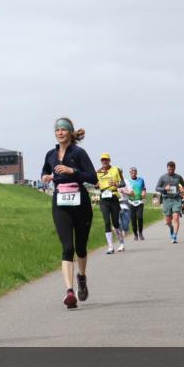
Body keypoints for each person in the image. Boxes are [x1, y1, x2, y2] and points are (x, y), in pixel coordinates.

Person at [41, 117, 97, 309]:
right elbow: (45, 173)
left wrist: (72, 171)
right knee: (67, 247)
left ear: (70, 132)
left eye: (63, 129)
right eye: (57, 130)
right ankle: (69, 292)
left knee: (81, 247)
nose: (60, 132)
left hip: (80, 203)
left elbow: (92, 177)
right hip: (60, 204)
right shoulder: (50, 154)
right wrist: (46, 177)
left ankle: (81, 277)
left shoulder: (79, 153)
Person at [95, 153, 127, 254]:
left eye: (106, 160)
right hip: (103, 199)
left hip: (113, 197)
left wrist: (116, 184)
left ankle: (121, 243)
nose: (104, 161)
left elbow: (123, 183)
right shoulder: (98, 172)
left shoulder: (116, 170)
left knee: (115, 223)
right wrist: (96, 186)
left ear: (109, 160)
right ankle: (110, 247)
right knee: (106, 222)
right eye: (102, 160)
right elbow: (95, 185)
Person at [156, 161, 184, 243]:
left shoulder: (178, 177)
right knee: (167, 221)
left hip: (176, 199)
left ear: (174, 169)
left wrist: (183, 189)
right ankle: (171, 228)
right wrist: (164, 189)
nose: (170, 171)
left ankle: (174, 236)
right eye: (169, 169)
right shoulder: (163, 177)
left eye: (172, 169)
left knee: (176, 217)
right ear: (167, 168)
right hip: (166, 200)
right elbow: (157, 188)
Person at [122, 167, 147, 241]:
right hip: (131, 202)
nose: (133, 174)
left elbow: (144, 189)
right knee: (133, 219)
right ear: (130, 173)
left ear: (136, 173)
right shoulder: (127, 181)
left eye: (134, 172)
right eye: (132, 172)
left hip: (139, 201)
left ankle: (140, 233)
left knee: (140, 218)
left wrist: (144, 194)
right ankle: (135, 235)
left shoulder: (141, 180)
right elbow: (125, 191)